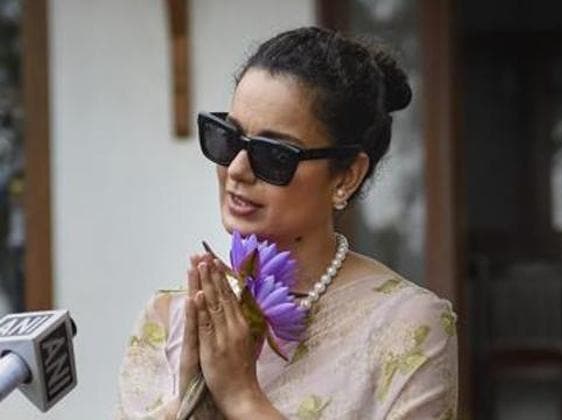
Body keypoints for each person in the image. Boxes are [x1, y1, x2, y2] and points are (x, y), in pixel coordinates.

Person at [116, 26, 457, 419]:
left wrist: (243, 397)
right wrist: (193, 399)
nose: (237, 170)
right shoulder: (168, 316)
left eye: (273, 154)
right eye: (227, 138)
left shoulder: (406, 325)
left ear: (346, 175)